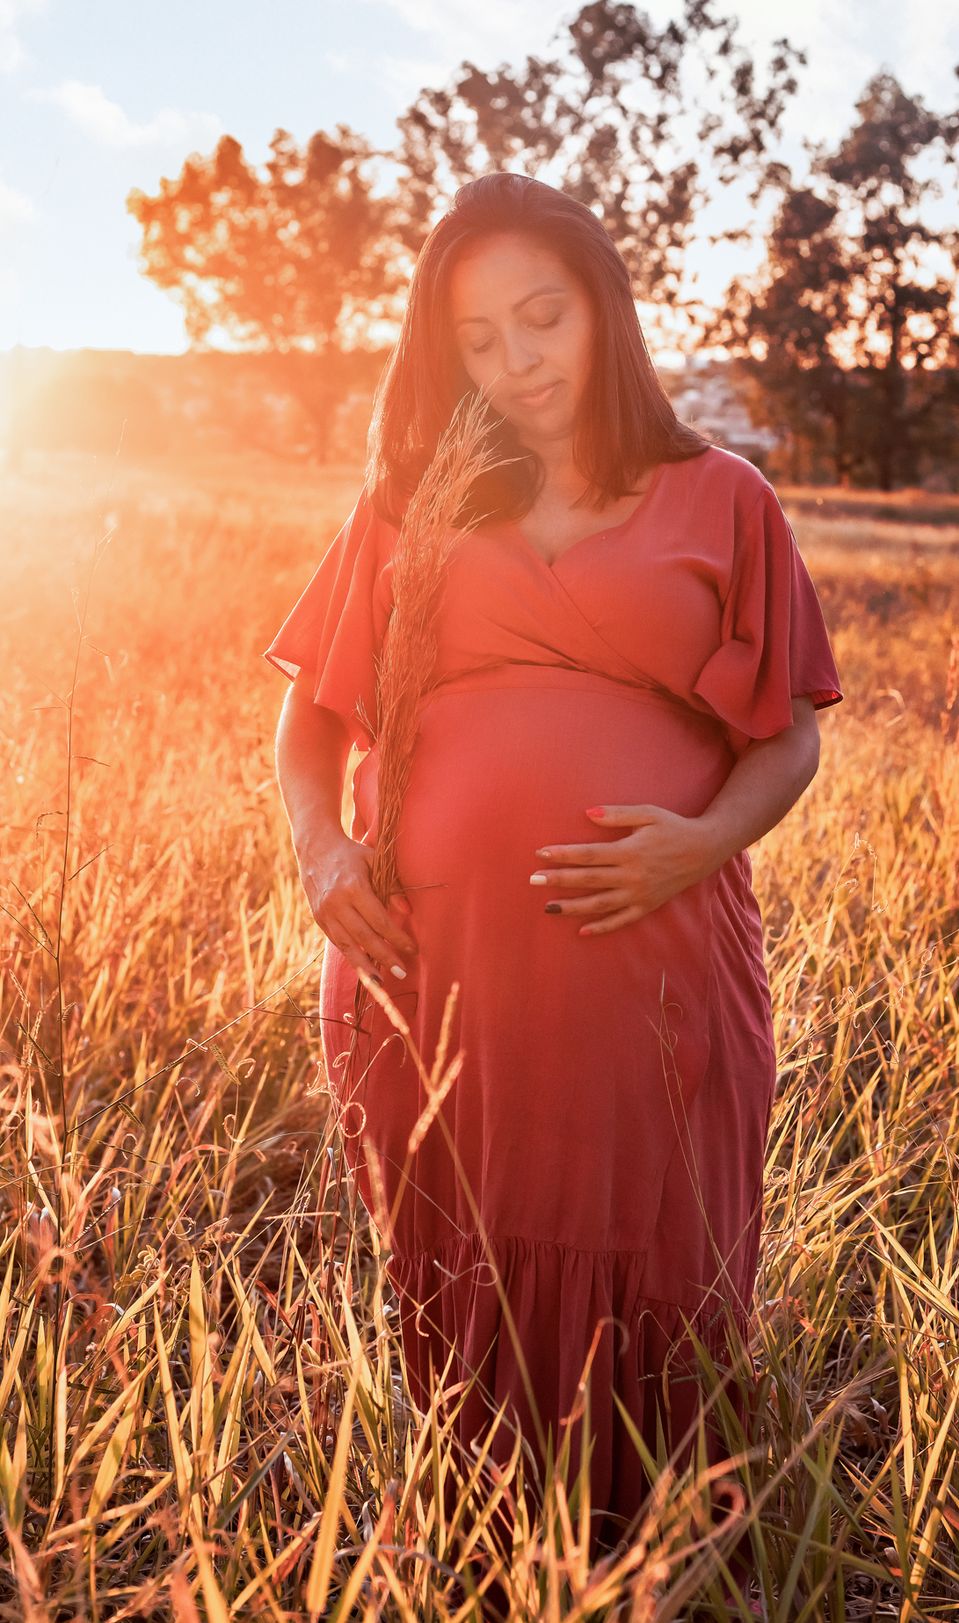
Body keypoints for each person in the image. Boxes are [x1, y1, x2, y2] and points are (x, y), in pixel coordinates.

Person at [267, 172, 841, 1530]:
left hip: (651, 975)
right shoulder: (415, 502)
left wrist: (696, 842)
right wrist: (325, 855)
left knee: (650, 1282)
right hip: (431, 971)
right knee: (457, 1297)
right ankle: (478, 1549)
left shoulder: (722, 498)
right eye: (478, 338)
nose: (517, 361)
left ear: (604, 311)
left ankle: (646, 1561)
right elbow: (309, 716)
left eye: (543, 318)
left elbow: (791, 738)